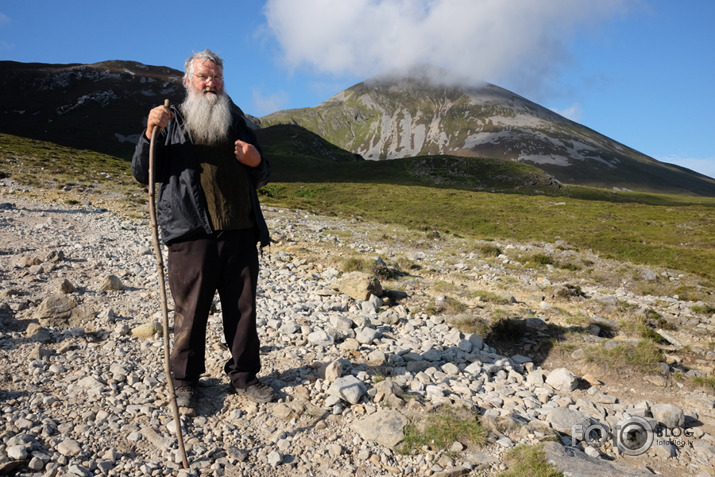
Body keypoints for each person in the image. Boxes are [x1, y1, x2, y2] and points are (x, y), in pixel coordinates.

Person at [131, 49, 274, 414]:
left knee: (242, 309)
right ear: (188, 82)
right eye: (204, 77)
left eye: (216, 77)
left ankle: (244, 376)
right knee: (190, 310)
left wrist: (256, 162)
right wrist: (149, 132)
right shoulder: (171, 121)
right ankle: (184, 382)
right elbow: (142, 171)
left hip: (239, 230)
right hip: (191, 232)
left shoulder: (235, 119)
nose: (211, 83)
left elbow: (262, 171)